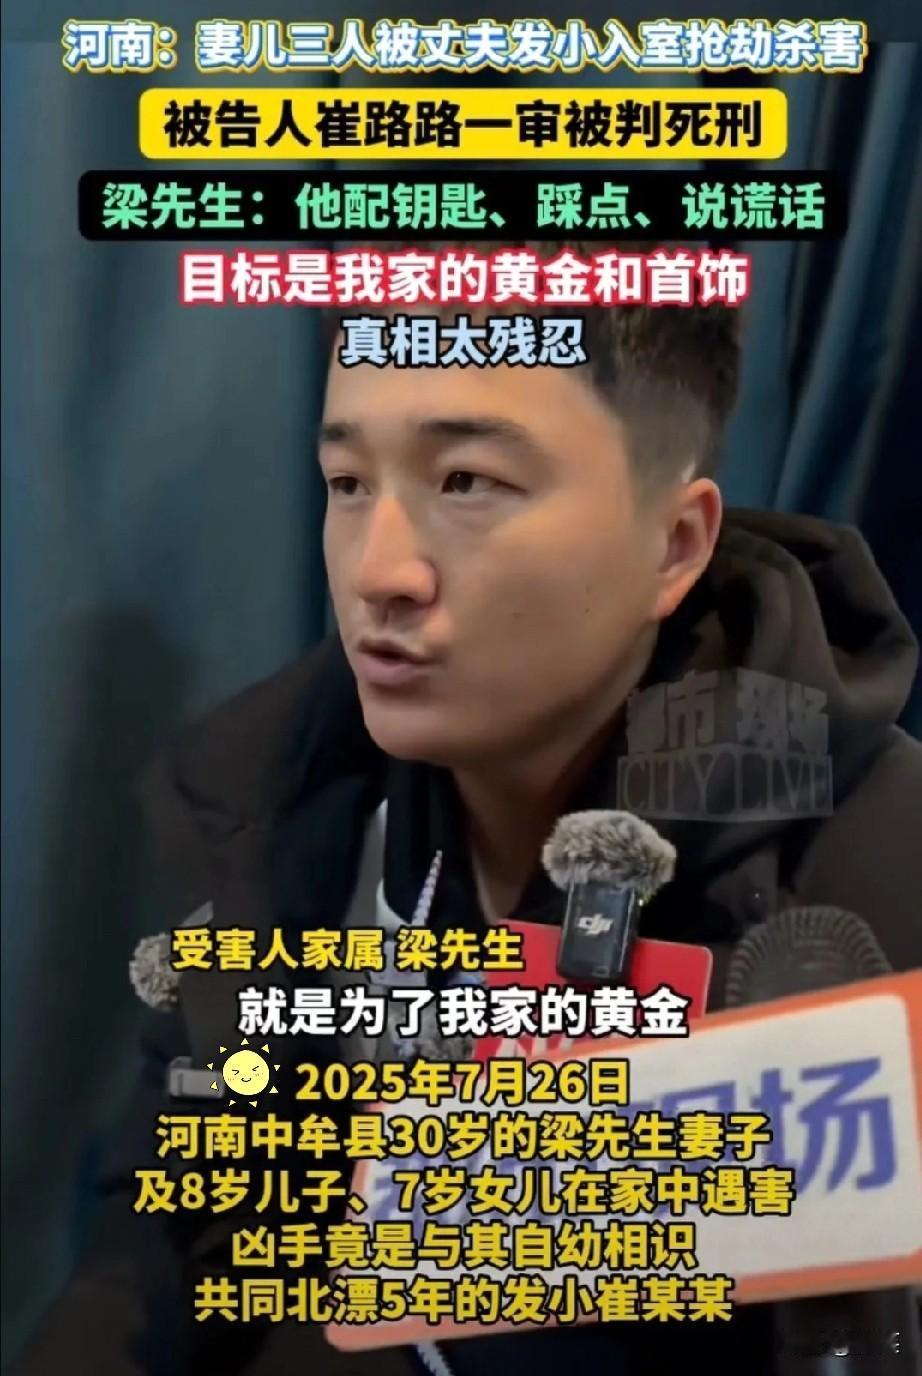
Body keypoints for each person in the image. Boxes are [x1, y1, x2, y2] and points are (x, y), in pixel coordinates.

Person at [13, 240, 922, 1376]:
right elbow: (156, 1271)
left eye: (466, 483)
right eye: (348, 483)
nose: (378, 572)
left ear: (673, 543)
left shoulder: (866, 889)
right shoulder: (267, 813)